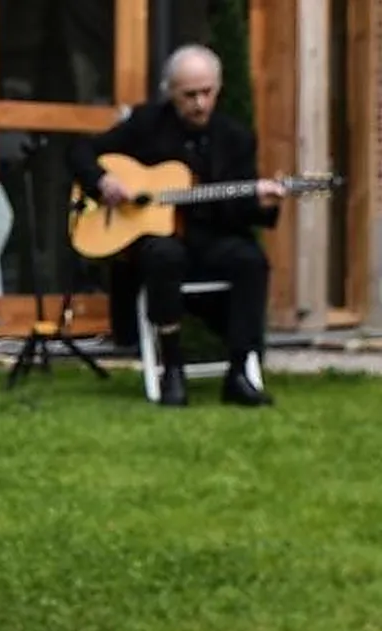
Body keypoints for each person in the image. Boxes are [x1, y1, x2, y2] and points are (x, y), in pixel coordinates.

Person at [67, 44, 283, 407]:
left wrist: (262, 204)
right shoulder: (147, 124)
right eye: (189, 95)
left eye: (207, 93)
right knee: (164, 254)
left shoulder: (235, 137)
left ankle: (239, 372)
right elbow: (80, 151)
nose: (200, 103)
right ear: (171, 93)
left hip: (210, 239)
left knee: (251, 260)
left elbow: (241, 211)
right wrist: (103, 181)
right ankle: (172, 367)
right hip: (158, 243)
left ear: (218, 88)